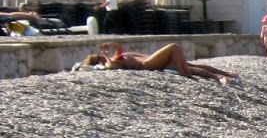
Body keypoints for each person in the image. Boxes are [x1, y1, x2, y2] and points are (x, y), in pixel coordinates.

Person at [86, 41, 236, 83]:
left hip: (151, 59)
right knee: (174, 48)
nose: (102, 56)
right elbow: (110, 66)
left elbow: (119, 47)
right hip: (147, 64)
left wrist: (109, 46)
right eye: (98, 58)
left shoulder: (117, 56)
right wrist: (105, 56)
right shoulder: (111, 63)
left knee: (193, 66)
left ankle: (223, 75)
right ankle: (216, 78)